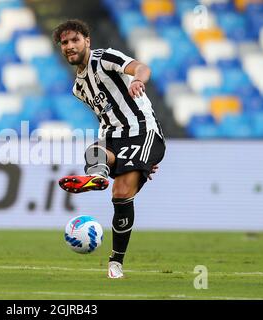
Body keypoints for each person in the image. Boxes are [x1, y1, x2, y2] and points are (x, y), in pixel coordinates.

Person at [52, 19, 166, 279]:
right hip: (113, 135)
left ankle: (116, 262)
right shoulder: (78, 88)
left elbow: (141, 67)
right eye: (64, 43)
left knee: (121, 192)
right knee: (94, 151)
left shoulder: (105, 58)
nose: (70, 46)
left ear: (87, 41)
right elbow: (105, 116)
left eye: (74, 40)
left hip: (142, 132)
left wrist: (137, 80)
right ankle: (98, 176)